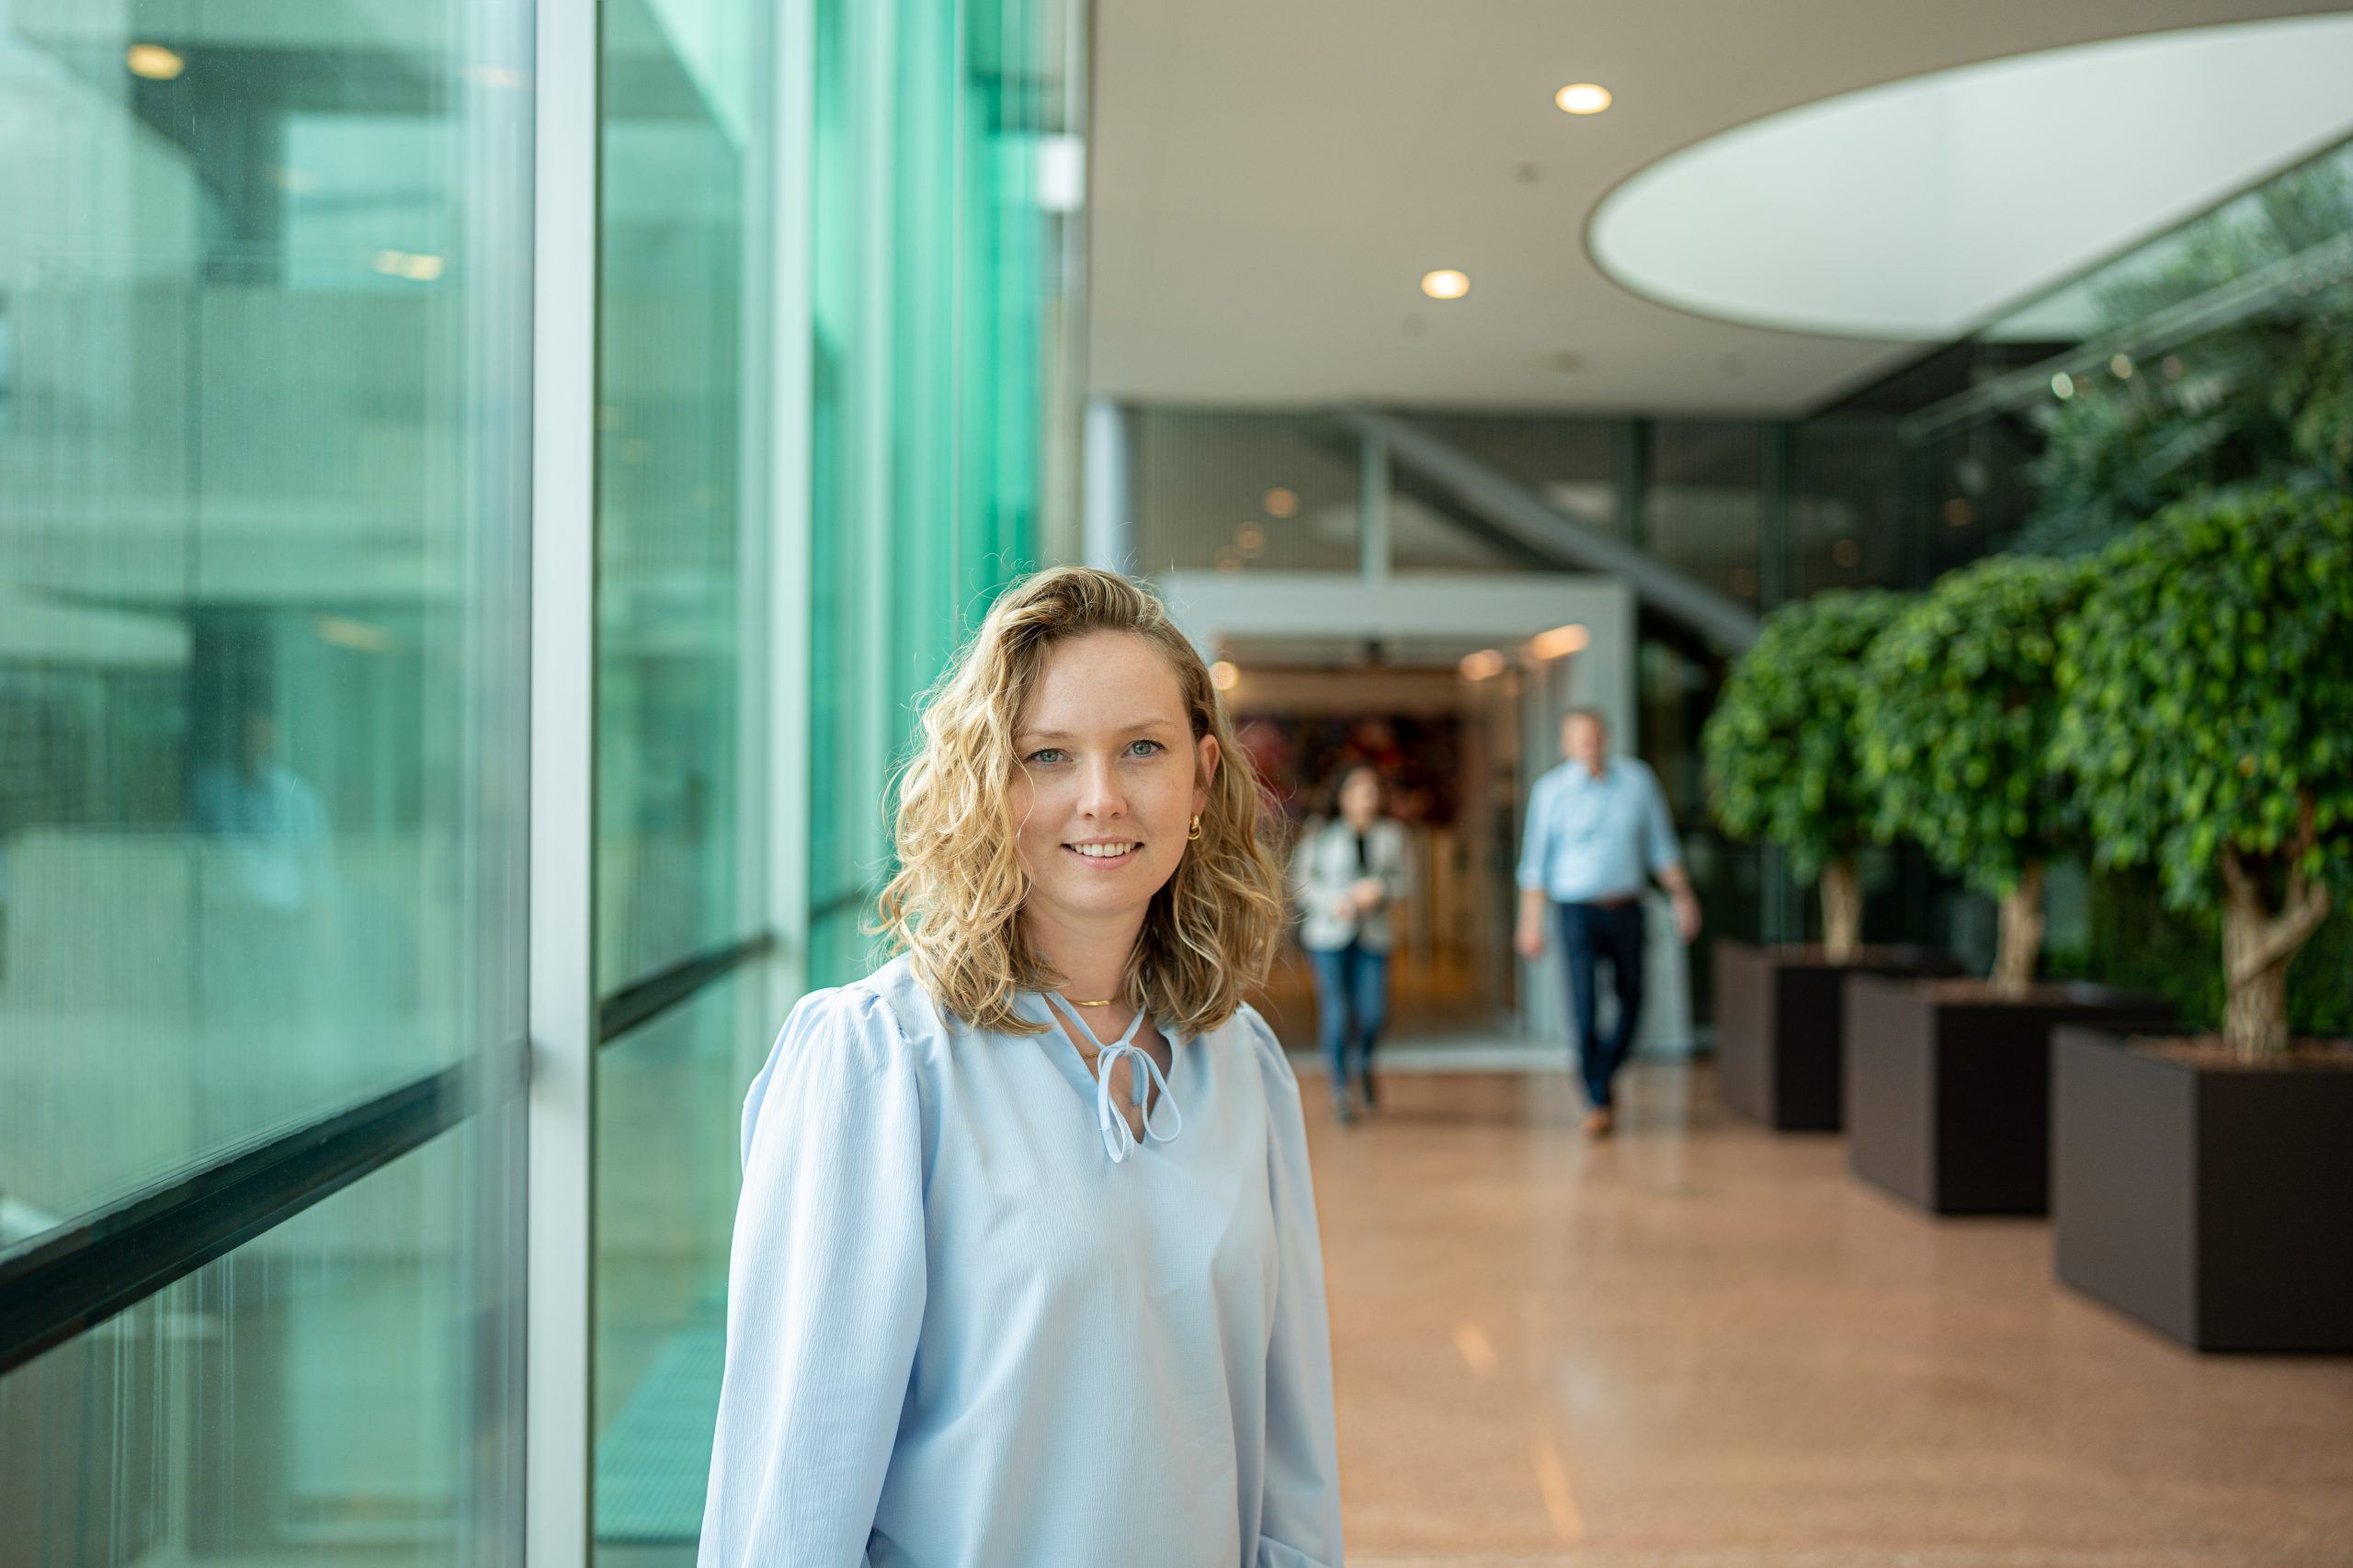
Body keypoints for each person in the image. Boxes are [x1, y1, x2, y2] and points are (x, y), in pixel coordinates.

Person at [698, 567, 1346, 1568]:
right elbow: (794, 1491)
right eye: (1047, 755)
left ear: (1203, 774)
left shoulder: (1242, 1063)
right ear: (987, 778)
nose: (1101, 798)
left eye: (1142, 748)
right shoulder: (879, 1067)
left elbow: (1290, 1460)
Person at [1513, 708, 1700, 1138]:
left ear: (1606, 738)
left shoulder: (1637, 782)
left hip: (1627, 907)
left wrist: (1683, 897)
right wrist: (1530, 923)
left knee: (1633, 999)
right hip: (1575, 910)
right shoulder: (1552, 791)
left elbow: (1661, 846)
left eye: (1594, 737)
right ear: (1566, 744)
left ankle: (1603, 1072)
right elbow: (1535, 864)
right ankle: (1596, 1099)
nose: (1588, 746)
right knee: (1583, 1007)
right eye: (1579, 739)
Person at [1290, 762, 1408, 1125]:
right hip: (1328, 935)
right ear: (1342, 797)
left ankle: (1364, 1064)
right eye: (1357, 791)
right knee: (1337, 1010)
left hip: (1373, 935)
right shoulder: (1321, 835)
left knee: (1373, 1013)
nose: (1365, 799)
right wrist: (1338, 900)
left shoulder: (1393, 835)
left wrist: (1381, 890)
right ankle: (1340, 1088)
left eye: (1371, 791)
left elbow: (1405, 881)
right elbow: (1302, 885)